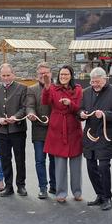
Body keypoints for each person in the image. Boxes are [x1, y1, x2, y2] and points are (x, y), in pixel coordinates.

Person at [79, 67, 112, 211]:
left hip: (105, 136)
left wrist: (104, 114)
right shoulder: (86, 92)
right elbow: (79, 110)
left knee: (104, 167)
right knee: (91, 167)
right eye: (92, 82)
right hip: (89, 135)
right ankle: (99, 195)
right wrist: (81, 114)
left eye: (98, 82)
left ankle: (107, 197)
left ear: (105, 79)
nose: (95, 85)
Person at [42, 65, 84, 203]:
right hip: (57, 129)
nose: (63, 76)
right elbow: (45, 101)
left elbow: (79, 108)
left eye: (66, 74)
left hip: (73, 129)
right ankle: (61, 193)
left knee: (76, 165)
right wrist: (47, 86)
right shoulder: (53, 88)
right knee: (59, 165)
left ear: (71, 76)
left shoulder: (78, 89)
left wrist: (70, 103)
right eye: (61, 74)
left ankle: (77, 192)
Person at [0, 63, 28, 197]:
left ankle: (21, 185)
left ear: (13, 75)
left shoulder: (22, 88)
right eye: (3, 75)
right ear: (0, 76)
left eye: (8, 75)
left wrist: (15, 117)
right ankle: (8, 186)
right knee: (5, 159)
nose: (6, 78)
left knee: (20, 159)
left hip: (18, 130)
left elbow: (24, 107)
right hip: (2, 131)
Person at [26, 62, 56, 198]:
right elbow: (30, 105)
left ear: (51, 74)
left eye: (46, 73)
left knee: (54, 160)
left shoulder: (58, 88)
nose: (44, 75)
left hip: (55, 130)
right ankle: (43, 188)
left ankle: (54, 186)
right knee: (40, 160)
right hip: (38, 130)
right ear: (37, 75)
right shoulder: (32, 89)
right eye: (41, 73)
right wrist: (31, 113)